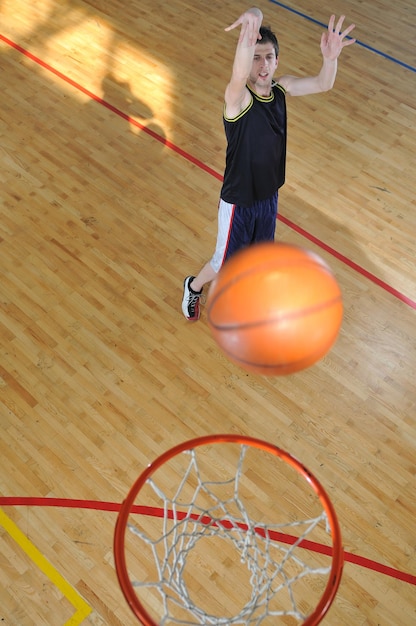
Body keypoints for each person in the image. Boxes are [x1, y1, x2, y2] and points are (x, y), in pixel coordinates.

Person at [182, 7, 355, 321]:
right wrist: (254, 21)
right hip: (238, 199)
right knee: (224, 262)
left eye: (269, 58)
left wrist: (330, 59)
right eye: (256, 57)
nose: (263, 65)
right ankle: (193, 286)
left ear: (277, 61)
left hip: (268, 194)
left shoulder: (281, 89)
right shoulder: (238, 99)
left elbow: (322, 84)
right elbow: (237, 75)